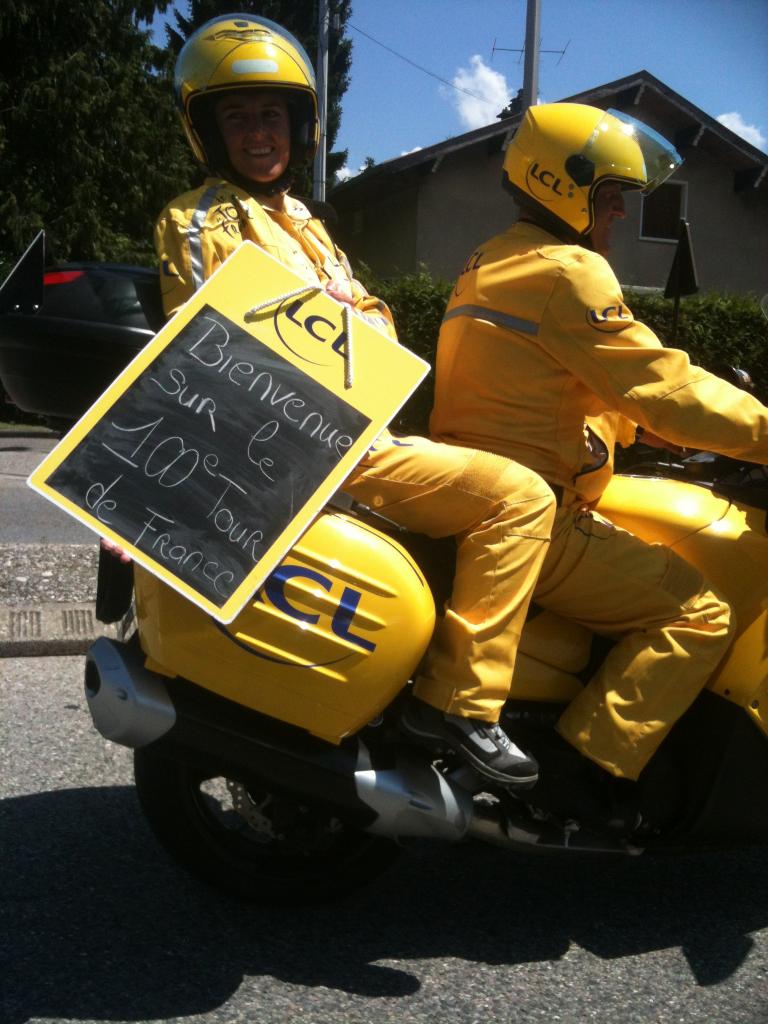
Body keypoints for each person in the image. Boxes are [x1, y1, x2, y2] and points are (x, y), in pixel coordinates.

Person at [152, 13, 557, 787]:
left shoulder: (306, 223)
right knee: (520, 499)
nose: (258, 133)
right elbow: (209, 337)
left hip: (350, 429)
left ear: (300, 127)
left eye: (272, 115)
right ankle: (460, 705)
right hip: (298, 445)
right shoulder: (196, 215)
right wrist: (333, 318)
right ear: (207, 131)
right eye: (237, 117)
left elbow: (376, 322)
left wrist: (335, 314)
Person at [430, 101, 768, 821]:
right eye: (610, 198)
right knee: (700, 612)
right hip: (535, 513)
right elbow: (670, 389)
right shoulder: (569, 273)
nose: (616, 216)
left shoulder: (490, 261)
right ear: (564, 186)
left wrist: (631, 426)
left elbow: (541, 389)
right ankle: (588, 778)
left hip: (478, 490)